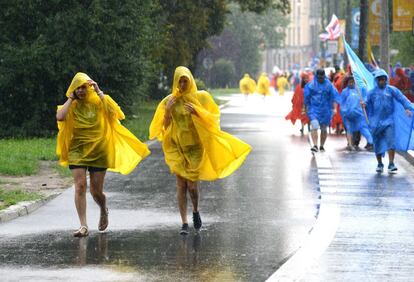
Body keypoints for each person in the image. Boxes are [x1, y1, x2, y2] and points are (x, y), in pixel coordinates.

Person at [149, 66, 251, 235]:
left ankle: (195, 210)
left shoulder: (201, 97)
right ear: (175, 81)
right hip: (177, 147)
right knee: (181, 185)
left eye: (185, 81)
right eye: (179, 81)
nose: (182, 84)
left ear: (190, 81)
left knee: (192, 187)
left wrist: (197, 111)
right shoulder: (169, 101)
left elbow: (213, 118)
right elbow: (164, 127)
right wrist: (167, 111)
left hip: (195, 148)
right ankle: (184, 222)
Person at [56, 72, 150, 237]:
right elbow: (60, 117)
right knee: (80, 186)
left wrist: (100, 92)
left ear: (89, 87)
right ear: (73, 89)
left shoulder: (100, 100)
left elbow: (116, 113)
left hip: (99, 149)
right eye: (77, 88)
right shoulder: (72, 105)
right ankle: (83, 225)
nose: (81, 91)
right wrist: (70, 99)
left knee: (95, 191)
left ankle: (103, 208)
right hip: (78, 149)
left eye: (83, 87)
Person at [363, 69, 413, 173]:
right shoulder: (371, 93)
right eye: (380, 80)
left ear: (386, 79)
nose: (382, 81)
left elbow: (402, 98)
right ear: (377, 80)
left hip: (389, 121)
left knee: (391, 142)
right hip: (375, 123)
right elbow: (366, 103)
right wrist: (363, 105)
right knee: (377, 144)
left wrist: (408, 108)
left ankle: (391, 163)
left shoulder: (391, 90)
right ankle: (380, 164)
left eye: (384, 79)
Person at [304, 69, 338, 153]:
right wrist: (306, 108)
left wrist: (334, 108)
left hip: (325, 110)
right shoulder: (311, 85)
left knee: (323, 129)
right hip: (314, 110)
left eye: (322, 77)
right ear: (316, 76)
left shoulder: (329, 85)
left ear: (324, 76)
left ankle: (322, 145)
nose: (320, 79)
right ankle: (315, 145)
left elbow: (334, 96)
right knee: (314, 126)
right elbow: (306, 97)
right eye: (319, 78)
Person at [337, 75, 373, 151]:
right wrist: (344, 112)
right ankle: (350, 144)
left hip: (359, 114)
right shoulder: (345, 92)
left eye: (353, 82)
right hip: (348, 115)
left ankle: (371, 142)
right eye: (350, 82)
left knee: (363, 128)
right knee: (349, 129)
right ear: (347, 83)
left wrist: (364, 103)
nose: (351, 83)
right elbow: (342, 103)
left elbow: (365, 97)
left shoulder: (359, 90)